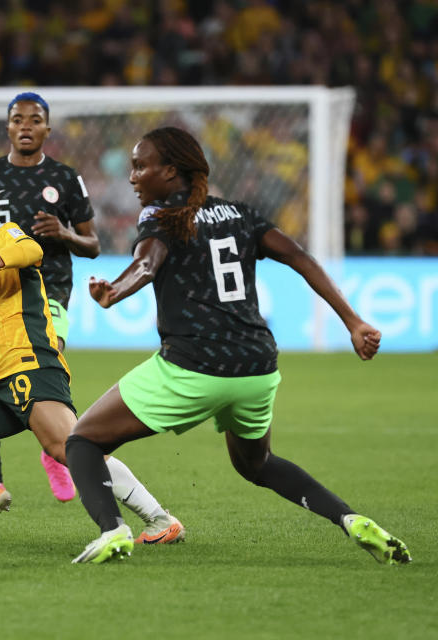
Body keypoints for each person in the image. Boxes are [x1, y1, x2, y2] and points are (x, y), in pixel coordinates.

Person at [67, 126, 412, 565]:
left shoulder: (161, 217)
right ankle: (350, 519)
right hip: (257, 369)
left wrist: (113, 292)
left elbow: (147, 263)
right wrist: (354, 321)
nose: (133, 177)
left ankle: (112, 530)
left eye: (140, 166)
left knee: (82, 441)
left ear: (170, 171)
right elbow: (300, 257)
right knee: (257, 464)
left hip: (194, 367)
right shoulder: (239, 213)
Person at [0, 162, 178, 536]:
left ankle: (161, 519)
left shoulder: (6, 239)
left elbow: (32, 250)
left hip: (34, 371)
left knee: (71, 451)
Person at [0, 92, 95, 505]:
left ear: (47, 128)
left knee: (47, 366)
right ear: (8, 126)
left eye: (35, 120)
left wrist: (64, 234)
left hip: (48, 287)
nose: (25, 126)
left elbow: (93, 243)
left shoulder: (66, 178)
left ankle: (56, 450)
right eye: (17, 119)